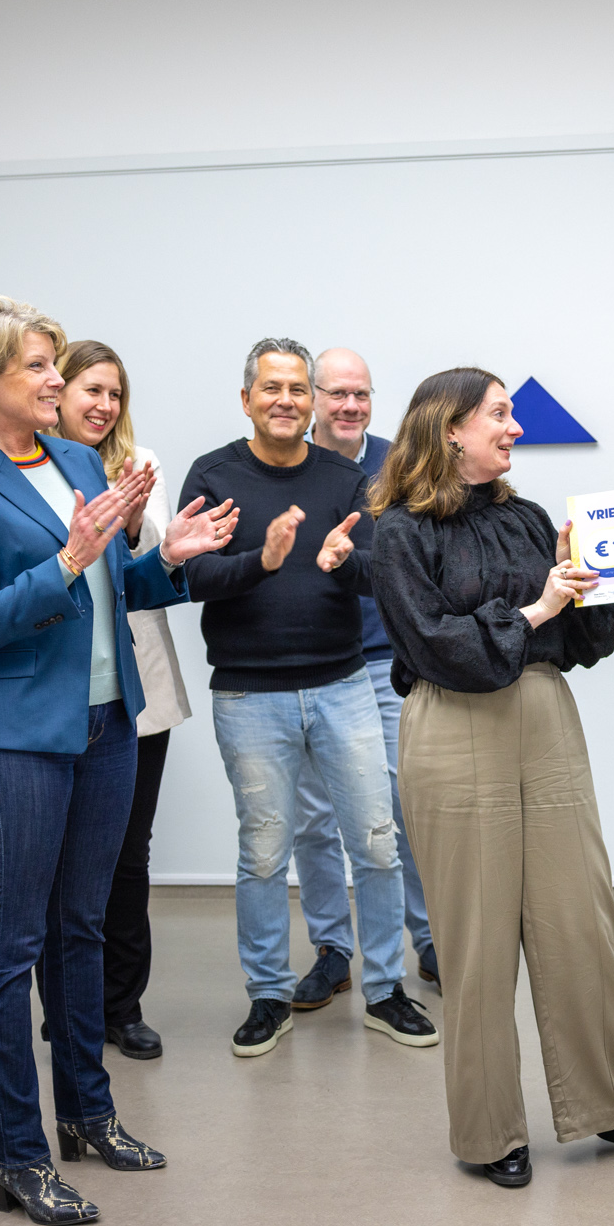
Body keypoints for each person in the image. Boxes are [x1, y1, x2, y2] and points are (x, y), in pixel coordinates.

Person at [0, 297, 236, 1225]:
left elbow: (116, 582)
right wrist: (66, 558)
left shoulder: (79, 460)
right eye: (40, 367)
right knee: (12, 948)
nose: (58, 380)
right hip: (17, 733)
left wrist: (162, 557)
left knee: (83, 929)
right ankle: (16, 1154)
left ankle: (89, 1115)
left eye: (57, 363)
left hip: (108, 725)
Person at [370, 366, 614, 1189]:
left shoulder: (527, 519)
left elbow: (586, 643)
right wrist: (536, 610)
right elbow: (432, 643)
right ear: (449, 427)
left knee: (580, 922)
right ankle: (489, 1133)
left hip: (545, 716)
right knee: (476, 941)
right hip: (453, 724)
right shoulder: (399, 530)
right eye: (499, 414)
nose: (513, 426)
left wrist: (591, 582)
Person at [177, 338, 438, 1057]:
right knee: (265, 852)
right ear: (247, 398)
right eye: (273, 387)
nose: (286, 399)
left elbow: (378, 572)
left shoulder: (343, 477)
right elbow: (190, 580)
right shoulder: (214, 473)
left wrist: (345, 561)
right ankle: (268, 993)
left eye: (297, 388)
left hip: (343, 684)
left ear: (310, 399)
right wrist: (258, 564)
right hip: (248, 695)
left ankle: (386, 988)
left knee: (378, 845)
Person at [54, 339, 191, 1059]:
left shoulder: (142, 465)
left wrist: (135, 521)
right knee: (57, 858)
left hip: (139, 686)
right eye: (91, 390)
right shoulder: (32, 471)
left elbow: (157, 565)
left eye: (115, 393)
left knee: (125, 855)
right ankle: (64, 1004)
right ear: (57, 392)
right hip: (59, 688)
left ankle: (119, 1004)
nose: (104, 405)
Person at [289, 346, 439, 997]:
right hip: (305, 667)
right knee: (313, 819)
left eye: (361, 394)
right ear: (313, 398)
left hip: (382, 665)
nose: (350, 406)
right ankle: (331, 948)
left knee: (403, 808)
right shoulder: (286, 462)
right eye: (337, 394)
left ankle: (429, 935)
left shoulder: (398, 463)